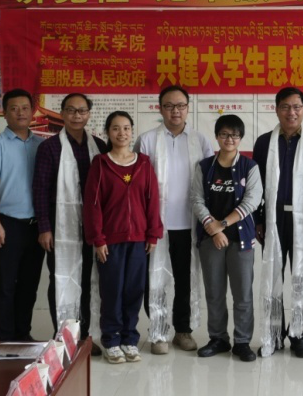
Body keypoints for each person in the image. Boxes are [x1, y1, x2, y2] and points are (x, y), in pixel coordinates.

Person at [134, 85, 212, 355]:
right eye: (169, 106)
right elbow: (136, 184)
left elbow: (210, 181)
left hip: (190, 224)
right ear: (160, 108)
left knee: (184, 279)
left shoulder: (200, 140)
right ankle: (158, 332)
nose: (175, 111)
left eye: (180, 106)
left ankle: (183, 330)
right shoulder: (147, 140)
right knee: (154, 279)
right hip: (155, 224)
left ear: (188, 108)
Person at [252, 87, 303, 358]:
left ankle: (298, 335)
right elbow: (255, 186)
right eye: (285, 107)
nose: (291, 112)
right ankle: (274, 334)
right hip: (273, 218)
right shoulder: (264, 143)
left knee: (301, 277)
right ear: (276, 110)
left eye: (297, 107)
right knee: (273, 274)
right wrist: (258, 219)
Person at [84, 111, 162, 364]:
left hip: (139, 239)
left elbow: (152, 201)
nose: (122, 133)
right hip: (110, 241)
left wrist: (153, 233)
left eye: (126, 128)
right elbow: (93, 205)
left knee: (134, 291)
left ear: (132, 131)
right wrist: (98, 239)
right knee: (112, 291)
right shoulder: (100, 164)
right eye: (116, 128)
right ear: (108, 132)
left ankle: (130, 339)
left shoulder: (144, 164)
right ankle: (111, 340)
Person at [33, 93, 107, 353]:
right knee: (62, 278)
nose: (77, 116)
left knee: (89, 279)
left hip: (92, 228)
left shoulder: (99, 146)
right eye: (71, 110)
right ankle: (64, 336)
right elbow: (40, 190)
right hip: (59, 226)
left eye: (82, 111)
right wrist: (44, 227)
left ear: (89, 114)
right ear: (62, 113)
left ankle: (86, 336)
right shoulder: (49, 148)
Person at [190, 114, 263, 362]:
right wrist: (213, 229)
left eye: (234, 135)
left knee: (242, 293)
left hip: (240, 239)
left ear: (240, 138)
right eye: (224, 134)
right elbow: (196, 199)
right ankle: (218, 338)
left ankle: (242, 342)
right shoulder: (204, 166)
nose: (229, 139)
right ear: (217, 137)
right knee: (214, 292)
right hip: (210, 239)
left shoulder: (250, 167)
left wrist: (221, 225)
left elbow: (252, 201)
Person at [0, 89, 45, 341]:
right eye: (14, 108)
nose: (20, 113)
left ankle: (23, 335)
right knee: (5, 285)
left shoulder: (41, 145)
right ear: (4, 113)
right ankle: (3, 339)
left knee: (29, 285)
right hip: (7, 224)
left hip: (36, 225)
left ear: (32, 112)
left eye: (25, 108)